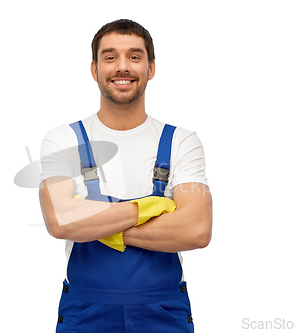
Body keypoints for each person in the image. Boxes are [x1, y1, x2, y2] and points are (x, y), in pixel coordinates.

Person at [39, 19, 212, 333]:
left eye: (134, 56)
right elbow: (60, 220)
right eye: (110, 57)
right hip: (86, 312)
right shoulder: (64, 140)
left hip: (163, 310)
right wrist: (153, 208)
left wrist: (93, 224)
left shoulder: (181, 142)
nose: (122, 67)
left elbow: (197, 229)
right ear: (94, 69)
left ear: (151, 68)